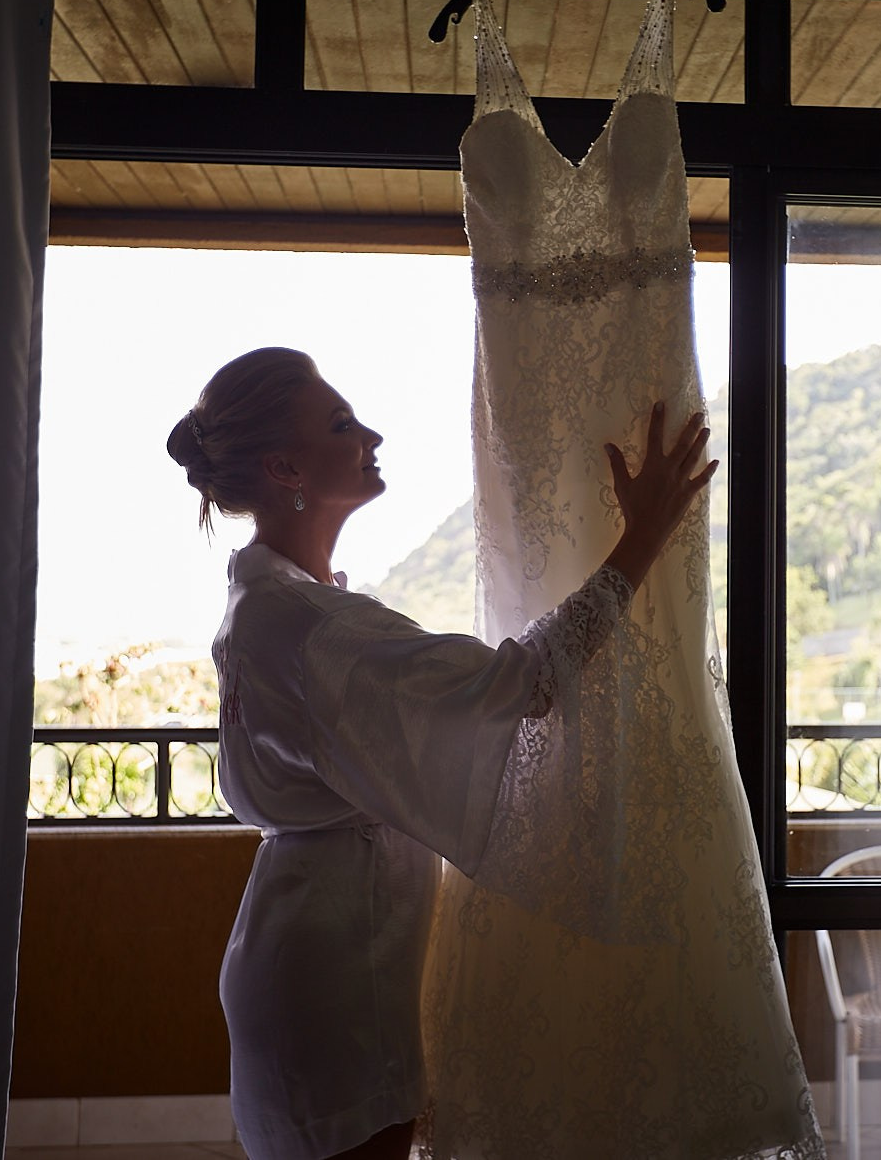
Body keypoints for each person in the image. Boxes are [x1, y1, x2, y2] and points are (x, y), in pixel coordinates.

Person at [164, 346, 715, 1160]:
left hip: (305, 944)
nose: (370, 435)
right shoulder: (307, 626)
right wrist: (642, 540)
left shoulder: (277, 608)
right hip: (337, 972)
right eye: (342, 424)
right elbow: (520, 685)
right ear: (284, 465)